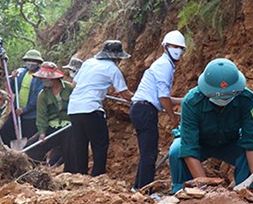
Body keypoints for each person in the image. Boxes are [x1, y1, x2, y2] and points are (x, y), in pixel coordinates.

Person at [168, 58, 253, 200]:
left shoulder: (246, 98)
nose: (224, 101)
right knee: (176, 151)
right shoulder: (191, 102)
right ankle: (183, 193)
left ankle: (245, 192)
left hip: (230, 143)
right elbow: (189, 147)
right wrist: (206, 190)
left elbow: (252, 140)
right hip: (201, 143)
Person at [67, 40, 133, 176]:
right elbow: (126, 95)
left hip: (74, 108)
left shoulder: (88, 63)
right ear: (116, 58)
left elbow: (73, 84)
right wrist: (143, 98)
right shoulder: (113, 69)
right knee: (100, 144)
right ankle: (98, 176)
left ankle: (81, 176)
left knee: (81, 145)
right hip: (91, 108)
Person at [130, 30, 185, 190]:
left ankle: (138, 188)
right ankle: (145, 190)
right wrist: (173, 118)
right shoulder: (164, 65)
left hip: (141, 109)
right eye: (174, 46)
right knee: (149, 153)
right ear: (165, 47)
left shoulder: (164, 65)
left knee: (147, 151)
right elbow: (163, 98)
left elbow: (164, 97)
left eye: (181, 47)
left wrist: (183, 100)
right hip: (145, 110)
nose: (178, 50)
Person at [24, 62, 74, 171]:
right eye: (42, 79)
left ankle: (69, 173)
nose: (44, 81)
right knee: (31, 148)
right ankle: (31, 170)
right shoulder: (43, 94)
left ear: (54, 78)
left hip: (69, 126)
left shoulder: (69, 88)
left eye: (46, 78)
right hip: (52, 127)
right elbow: (42, 115)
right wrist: (42, 132)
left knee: (71, 152)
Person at [0, 49, 43, 146]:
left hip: (30, 115)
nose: (30, 63)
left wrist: (25, 109)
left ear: (38, 62)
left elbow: (38, 96)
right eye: (28, 60)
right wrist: (13, 79)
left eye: (33, 60)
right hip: (16, 112)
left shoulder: (40, 77)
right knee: (3, 133)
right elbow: (13, 89)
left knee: (29, 140)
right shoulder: (22, 73)